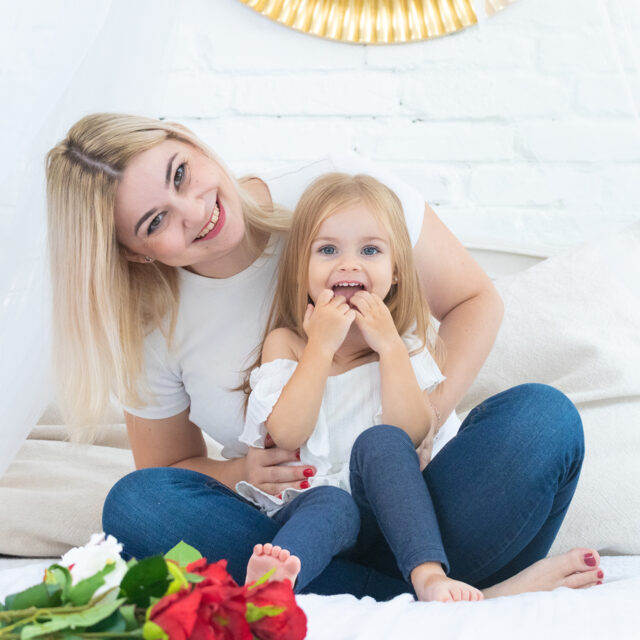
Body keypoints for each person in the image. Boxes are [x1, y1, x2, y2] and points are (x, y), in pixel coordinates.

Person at [46, 113, 603, 601]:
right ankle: (453, 591)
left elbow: (473, 301)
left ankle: (391, 578)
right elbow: (169, 471)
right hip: (299, 527)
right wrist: (240, 470)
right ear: (133, 255)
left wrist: (427, 416)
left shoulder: (343, 198)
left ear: (187, 138)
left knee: (542, 419)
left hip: (426, 499)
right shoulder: (151, 326)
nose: (194, 210)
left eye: (180, 173)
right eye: (155, 222)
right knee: (135, 505)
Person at [239, 173, 484, 602]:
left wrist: (388, 346)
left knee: (382, 442)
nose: (348, 264)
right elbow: (288, 434)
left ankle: (428, 575)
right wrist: (320, 347)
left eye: (370, 250)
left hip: (393, 516)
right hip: (320, 511)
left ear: (397, 275)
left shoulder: (405, 347)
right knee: (332, 504)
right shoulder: (290, 344)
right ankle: (271, 588)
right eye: (328, 249)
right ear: (303, 272)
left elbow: (411, 434)